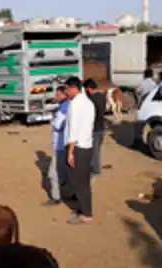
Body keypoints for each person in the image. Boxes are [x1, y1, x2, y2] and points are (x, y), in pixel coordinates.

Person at [64, 76, 95, 224]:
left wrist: (70, 151)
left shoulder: (75, 104)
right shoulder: (87, 102)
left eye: (66, 89)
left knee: (79, 182)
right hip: (87, 145)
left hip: (79, 147)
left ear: (73, 88)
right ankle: (84, 208)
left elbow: (73, 129)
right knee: (83, 181)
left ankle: (86, 213)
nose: (66, 92)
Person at [42, 86, 70, 206]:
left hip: (61, 146)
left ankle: (56, 197)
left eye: (58, 94)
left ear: (65, 95)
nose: (56, 97)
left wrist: (52, 120)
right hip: (67, 144)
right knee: (65, 173)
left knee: (53, 174)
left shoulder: (63, 109)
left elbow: (58, 125)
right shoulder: (69, 106)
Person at [83, 79, 107, 176]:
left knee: (94, 152)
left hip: (94, 128)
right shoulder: (102, 97)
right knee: (97, 150)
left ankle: (95, 170)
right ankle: (96, 168)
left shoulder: (91, 100)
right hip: (102, 127)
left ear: (88, 89)